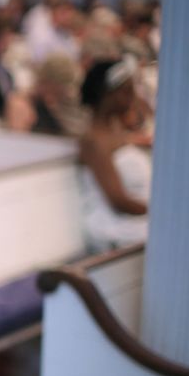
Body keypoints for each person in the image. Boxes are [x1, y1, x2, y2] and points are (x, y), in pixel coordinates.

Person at [77, 58, 152, 251]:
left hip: (137, 218)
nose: (132, 97)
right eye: (126, 91)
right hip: (116, 225)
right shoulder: (93, 140)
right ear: (107, 94)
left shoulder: (117, 129)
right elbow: (118, 202)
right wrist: (161, 212)